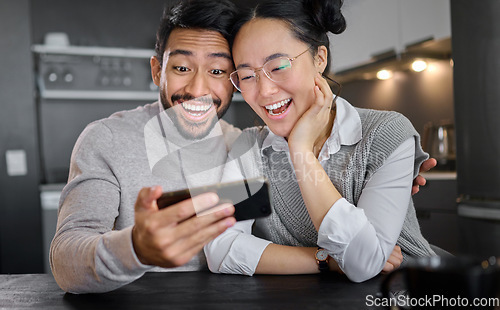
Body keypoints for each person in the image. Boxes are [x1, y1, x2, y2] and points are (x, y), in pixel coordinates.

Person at [204, 0, 436, 283]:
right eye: (248, 76)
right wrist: (324, 259)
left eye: (278, 66)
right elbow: (219, 249)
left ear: (319, 59)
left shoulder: (386, 133)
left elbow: (363, 263)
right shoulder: (246, 148)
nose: (264, 91)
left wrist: (300, 149)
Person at [50, 0, 241, 294]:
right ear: (157, 71)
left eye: (217, 71)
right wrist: (137, 248)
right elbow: (65, 260)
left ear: (235, 80)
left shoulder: (242, 145)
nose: (197, 90)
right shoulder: (106, 139)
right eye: (181, 67)